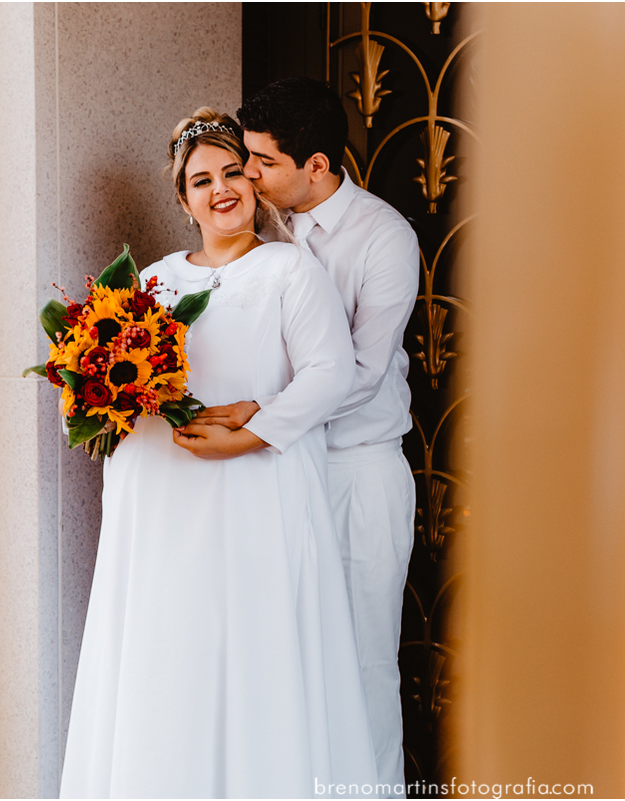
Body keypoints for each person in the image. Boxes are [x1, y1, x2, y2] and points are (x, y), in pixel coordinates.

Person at [59, 108, 378, 798]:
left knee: (248, 643)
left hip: (254, 493)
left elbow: (331, 373)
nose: (221, 188)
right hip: (164, 502)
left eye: (234, 171)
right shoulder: (155, 278)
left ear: (256, 182)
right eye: (201, 180)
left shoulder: (291, 269)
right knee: (171, 645)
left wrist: (251, 431)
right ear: (182, 200)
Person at [188, 78, 419, 795]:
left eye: (261, 162)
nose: (245, 175)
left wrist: (253, 418)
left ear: (316, 165)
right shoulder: (262, 230)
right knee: (287, 654)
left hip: (355, 471)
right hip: (277, 472)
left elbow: (357, 370)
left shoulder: (383, 238)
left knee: (361, 660)